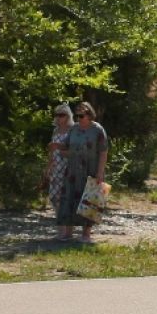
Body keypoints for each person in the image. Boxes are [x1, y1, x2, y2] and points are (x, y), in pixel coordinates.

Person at [54, 101, 108, 241]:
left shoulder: (98, 130)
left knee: (89, 201)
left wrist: (100, 172)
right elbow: (66, 147)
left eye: (81, 115)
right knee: (69, 199)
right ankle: (67, 233)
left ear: (89, 115)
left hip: (90, 170)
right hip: (72, 170)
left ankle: (86, 234)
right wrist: (57, 147)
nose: (78, 118)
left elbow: (103, 151)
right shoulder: (74, 129)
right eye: (77, 115)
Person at [45, 103, 74, 226]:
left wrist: (59, 148)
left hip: (67, 165)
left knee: (66, 196)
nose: (59, 117)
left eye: (62, 115)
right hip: (56, 165)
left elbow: (73, 148)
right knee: (53, 195)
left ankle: (66, 223)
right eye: (57, 115)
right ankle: (60, 218)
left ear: (68, 116)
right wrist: (49, 166)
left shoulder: (72, 130)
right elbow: (52, 149)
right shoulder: (55, 130)